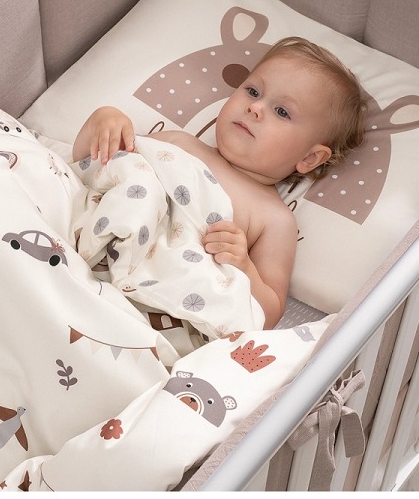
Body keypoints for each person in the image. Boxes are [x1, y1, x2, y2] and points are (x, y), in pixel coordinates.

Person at [72, 37, 366, 329]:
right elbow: (92, 169)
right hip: (83, 253)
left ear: (310, 158)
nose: (255, 107)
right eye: (253, 91)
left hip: (152, 308)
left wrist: (244, 265)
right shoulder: (179, 143)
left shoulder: (274, 219)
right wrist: (104, 121)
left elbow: (270, 312)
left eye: (282, 112)